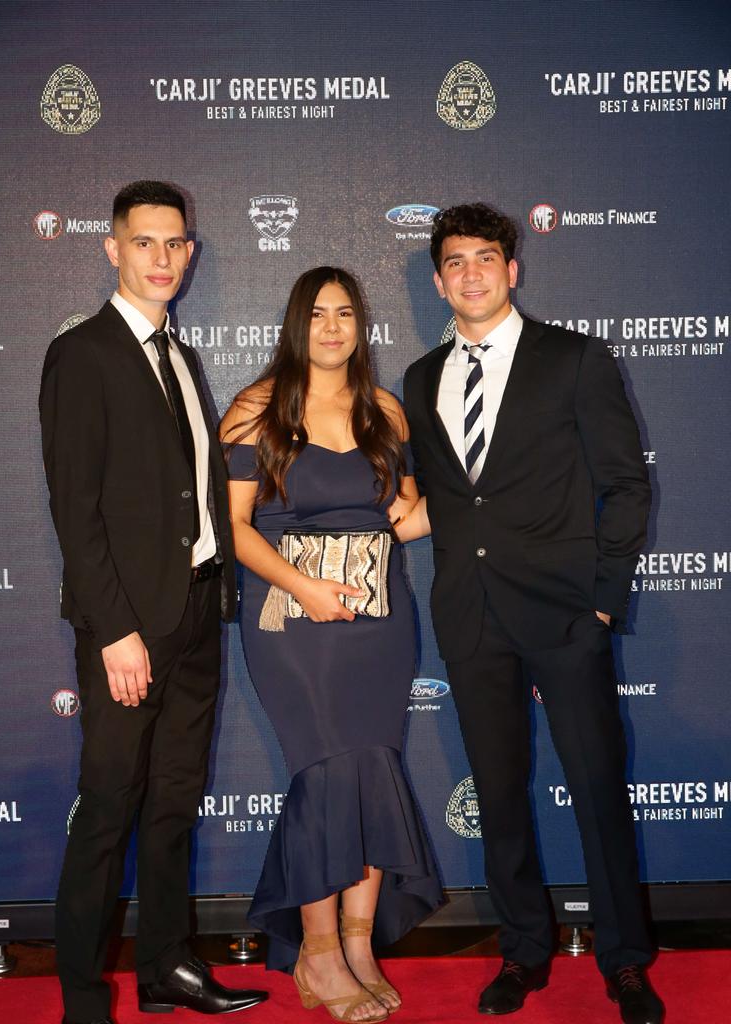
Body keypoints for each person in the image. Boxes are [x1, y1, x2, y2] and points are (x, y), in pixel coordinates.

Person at [401, 203, 663, 1024]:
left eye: (486, 258)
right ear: (439, 278)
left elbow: (626, 484)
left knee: (594, 786)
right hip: (471, 618)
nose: (471, 273)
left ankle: (625, 961)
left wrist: (601, 604)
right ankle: (523, 949)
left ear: (512, 270)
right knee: (502, 795)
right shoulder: (418, 379)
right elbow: (441, 500)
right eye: (454, 261)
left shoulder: (575, 360)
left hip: (564, 617)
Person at [39, 180, 267, 1024]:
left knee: (174, 803)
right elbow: (76, 508)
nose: (163, 258)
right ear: (113, 249)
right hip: (129, 631)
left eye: (176, 244)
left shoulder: (179, 352)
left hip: (200, 616)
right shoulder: (85, 352)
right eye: (145, 243)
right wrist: (116, 631)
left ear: (191, 252)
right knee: (108, 809)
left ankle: (168, 969)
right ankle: (84, 1002)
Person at [220, 266, 443, 1022]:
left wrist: (474, 501)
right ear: (295, 323)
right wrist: (304, 587)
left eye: (345, 313)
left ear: (361, 325)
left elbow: (405, 514)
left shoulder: (385, 410)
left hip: (379, 620)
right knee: (322, 771)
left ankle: (358, 945)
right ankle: (316, 954)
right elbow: (235, 528)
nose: (332, 326)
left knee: (374, 768)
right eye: (318, 313)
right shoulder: (257, 409)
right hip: (291, 620)